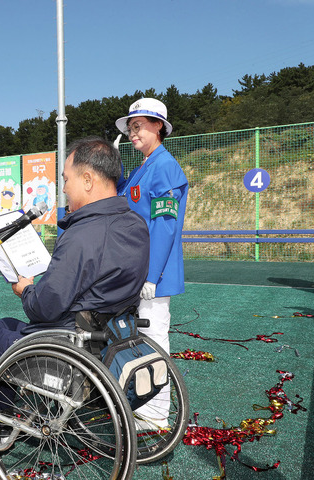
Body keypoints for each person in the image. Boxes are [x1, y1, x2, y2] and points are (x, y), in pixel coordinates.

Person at [0, 136, 150, 409]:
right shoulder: (135, 223)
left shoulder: (83, 234)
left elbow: (43, 308)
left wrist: (25, 290)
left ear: (87, 180)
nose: (63, 188)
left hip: (70, 343)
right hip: (110, 335)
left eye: (66, 179)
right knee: (5, 324)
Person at [115, 98, 188, 427]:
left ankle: (157, 414)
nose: (133, 133)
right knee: (139, 341)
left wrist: (153, 275)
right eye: (131, 127)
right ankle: (140, 404)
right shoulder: (143, 168)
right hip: (137, 271)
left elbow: (165, 223)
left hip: (151, 275)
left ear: (159, 126)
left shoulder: (164, 165)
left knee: (155, 339)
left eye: (139, 126)